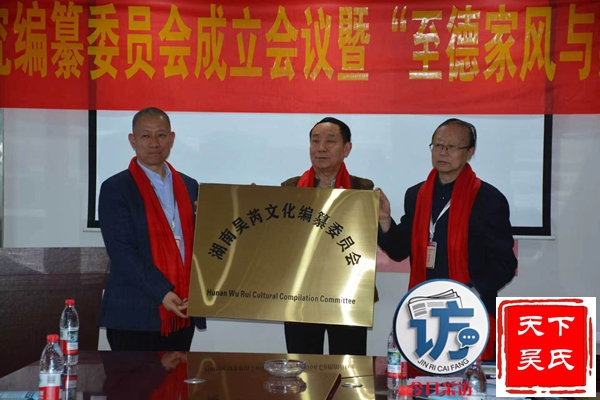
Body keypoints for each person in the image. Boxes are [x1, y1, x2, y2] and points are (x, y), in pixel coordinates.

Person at [378, 118, 517, 362]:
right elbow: (399, 249)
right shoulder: (416, 195)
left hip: (469, 310)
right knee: (425, 378)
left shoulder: (488, 199)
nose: (443, 152)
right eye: (438, 145)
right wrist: (385, 220)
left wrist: (472, 291)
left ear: (470, 152)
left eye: (452, 147)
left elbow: (505, 264)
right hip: (425, 310)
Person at [98, 107, 206, 351]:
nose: (154, 143)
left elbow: (202, 245)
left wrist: (236, 206)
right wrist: (162, 293)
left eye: (161, 135)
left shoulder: (190, 186)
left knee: (179, 377)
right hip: (134, 315)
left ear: (172, 138)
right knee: (134, 379)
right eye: (146, 136)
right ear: (132, 140)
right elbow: (122, 252)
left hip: (181, 310)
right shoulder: (116, 188)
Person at [281, 116, 378, 356]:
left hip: (348, 292)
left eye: (330, 141)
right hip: (300, 294)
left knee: (348, 367)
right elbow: (279, 242)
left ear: (347, 149)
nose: (321, 148)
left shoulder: (363, 189)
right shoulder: (289, 188)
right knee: (302, 367)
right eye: (315, 141)